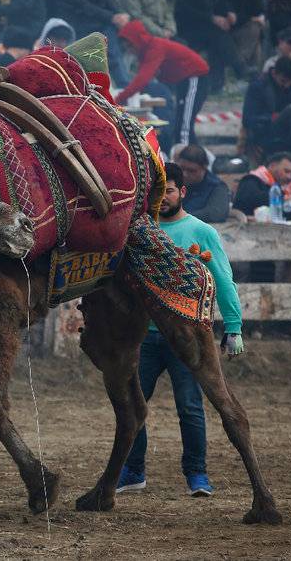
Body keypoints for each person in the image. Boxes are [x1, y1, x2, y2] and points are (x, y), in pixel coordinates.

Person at [116, 163, 243, 497]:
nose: (163, 198)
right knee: (132, 403)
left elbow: (223, 280)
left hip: (186, 336)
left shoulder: (202, 232)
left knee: (190, 405)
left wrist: (234, 326)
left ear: (183, 192)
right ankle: (133, 471)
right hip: (143, 335)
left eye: (169, 190)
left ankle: (197, 474)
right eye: (157, 192)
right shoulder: (142, 231)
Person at [116, 20, 210, 151]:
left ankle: (184, 158)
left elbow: (142, 80)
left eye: (130, 45)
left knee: (184, 126)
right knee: (181, 123)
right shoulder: (146, 51)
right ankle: (194, 157)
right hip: (184, 80)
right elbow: (142, 80)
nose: (129, 49)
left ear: (137, 40)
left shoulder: (155, 47)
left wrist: (118, 99)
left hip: (195, 77)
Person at [175, 0, 250, 93]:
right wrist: (211, 19)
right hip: (190, 29)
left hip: (211, 30)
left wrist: (229, 13)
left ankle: (218, 85)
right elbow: (186, 11)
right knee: (218, 37)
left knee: (218, 40)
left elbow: (223, 4)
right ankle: (240, 70)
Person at [60, 0, 129, 84]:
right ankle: (124, 83)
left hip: (97, 24)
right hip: (78, 26)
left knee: (112, 36)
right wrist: (112, 18)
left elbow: (110, 2)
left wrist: (119, 16)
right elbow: (87, 8)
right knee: (109, 39)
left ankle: (124, 82)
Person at [243, 56, 291, 157]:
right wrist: (270, 117)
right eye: (283, 81)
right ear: (274, 73)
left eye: (289, 82)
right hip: (269, 130)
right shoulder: (258, 87)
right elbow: (248, 118)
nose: (286, 85)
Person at [225, 0, 266, 68]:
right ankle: (240, 64)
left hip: (249, 26)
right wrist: (250, 18)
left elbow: (258, 10)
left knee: (258, 29)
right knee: (254, 29)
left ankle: (254, 71)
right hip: (233, 27)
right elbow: (234, 14)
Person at [174, 144, 230, 222]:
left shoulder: (217, 187)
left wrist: (179, 217)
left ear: (204, 167)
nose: (185, 174)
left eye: (191, 171)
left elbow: (216, 213)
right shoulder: (172, 181)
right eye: (182, 168)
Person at [233, 151, 291, 215]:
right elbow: (253, 199)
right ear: (272, 166)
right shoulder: (251, 179)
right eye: (286, 171)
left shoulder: (277, 187)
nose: (289, 177)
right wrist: (286, 199)